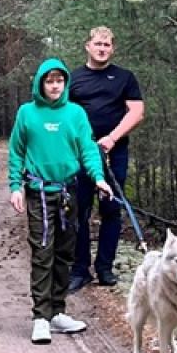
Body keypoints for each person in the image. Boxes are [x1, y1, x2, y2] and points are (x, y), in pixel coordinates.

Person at [7, 57, 112, 344]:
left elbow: (88, 149)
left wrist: (99, 177)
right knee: (43, 251)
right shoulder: (27, 113)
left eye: (59, 80)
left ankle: (57, 311)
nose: (55, 86)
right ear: (41, 83)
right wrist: (15, 186)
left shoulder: (75, 114)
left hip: (69, 192)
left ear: (65, 83)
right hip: (39, 192)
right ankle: (40, 317)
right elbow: (16, 151)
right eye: (50, 81)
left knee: (65, 253)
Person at [65, 26, 145, 290]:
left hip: (114, 153)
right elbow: (64, 115)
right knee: (80, 210)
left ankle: (105, 268)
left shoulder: (125, 78)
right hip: (81, 153)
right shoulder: (73, 79)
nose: (102, 48)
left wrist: (111, 138)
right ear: (87, 46)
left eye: (107, 45)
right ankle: (79, 269)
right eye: (98, 44)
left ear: (113, 48)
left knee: (111, 208)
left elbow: (136, 112)